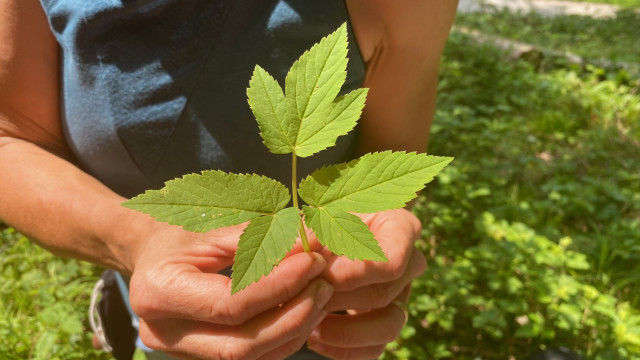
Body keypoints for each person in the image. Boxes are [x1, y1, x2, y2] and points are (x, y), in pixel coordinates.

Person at [0, 0, 458, 359]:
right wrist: (131, 240)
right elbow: (11, 137)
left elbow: (391, 171)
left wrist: (378, 246)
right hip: (150, 315)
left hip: (322, 331)